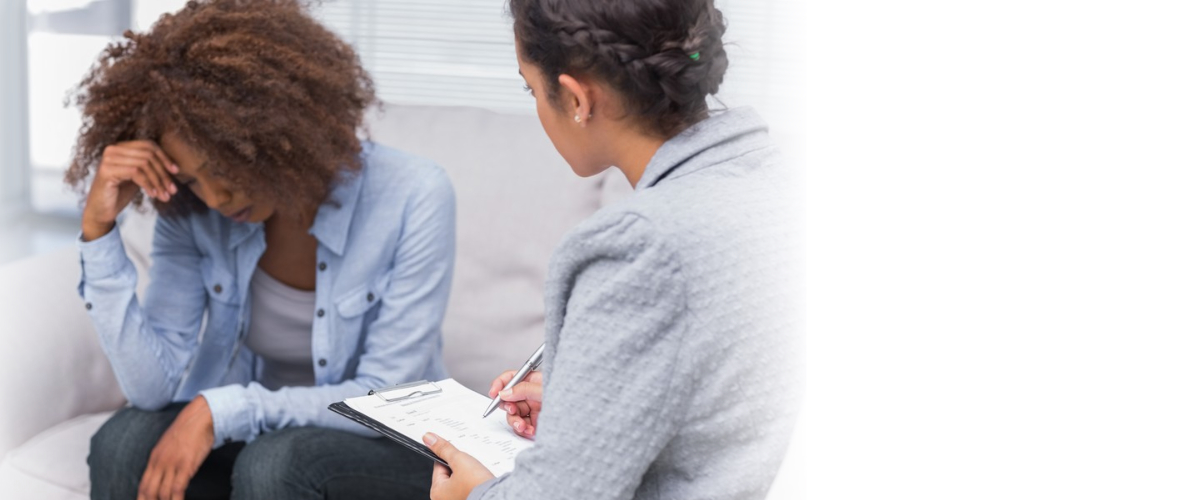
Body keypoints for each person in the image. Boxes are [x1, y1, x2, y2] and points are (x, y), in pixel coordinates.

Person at [68, 1, 458, 499]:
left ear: (275, 132)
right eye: (191, 178)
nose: (215, 197)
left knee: (276, 464)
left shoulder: (415, 195)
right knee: (123, 443)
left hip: (384, 443)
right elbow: (152, 388)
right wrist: (98, 230)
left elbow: (381, 396)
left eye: (225, 167)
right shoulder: (191, 213)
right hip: (262, 441)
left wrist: (226, 409)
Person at [424, 0, 798, 499]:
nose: (535, 104)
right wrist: (585, 410)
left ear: (576, 99)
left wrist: (472, 496)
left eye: (530, 87)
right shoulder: (781, 182)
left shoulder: (640, 247)